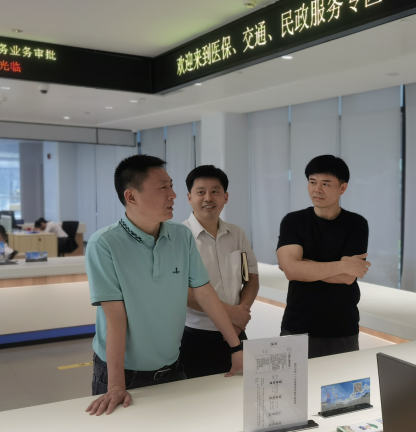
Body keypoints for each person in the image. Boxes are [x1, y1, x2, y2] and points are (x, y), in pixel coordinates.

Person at [84, 155, 243, 416]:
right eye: (162, 188)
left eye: (171, 186)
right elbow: (115, 318)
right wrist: (116, 385)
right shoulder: (105, 243)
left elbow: (205, 294)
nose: (173, 195)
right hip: (123, 373)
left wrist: (236, 347)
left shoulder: (181, 236)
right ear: (131, 196)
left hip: (173, 366)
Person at [276, 155, 370, 359]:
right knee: (292, 381)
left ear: (342, 188)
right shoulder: (293, 221)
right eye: (312, 182)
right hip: (297, 324)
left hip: (342, 327)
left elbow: (348, 277)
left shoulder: (356, 224)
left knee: (342, 380)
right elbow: (292, 271)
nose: (317, 189)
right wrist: (342, 266)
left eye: (325, 183)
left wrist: (303, 266)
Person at [180, 165, 260, 378]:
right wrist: (231, 313)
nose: (208, 198)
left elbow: (251, 278)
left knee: (243, 391)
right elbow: (182, 291)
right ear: (189, 197)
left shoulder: (236, 233)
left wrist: (241, 312)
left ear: (225, 197)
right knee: (202, 394)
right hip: (196, 335)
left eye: (215, 191)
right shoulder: (179, 236)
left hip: (236, 330)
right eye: (201, 192)